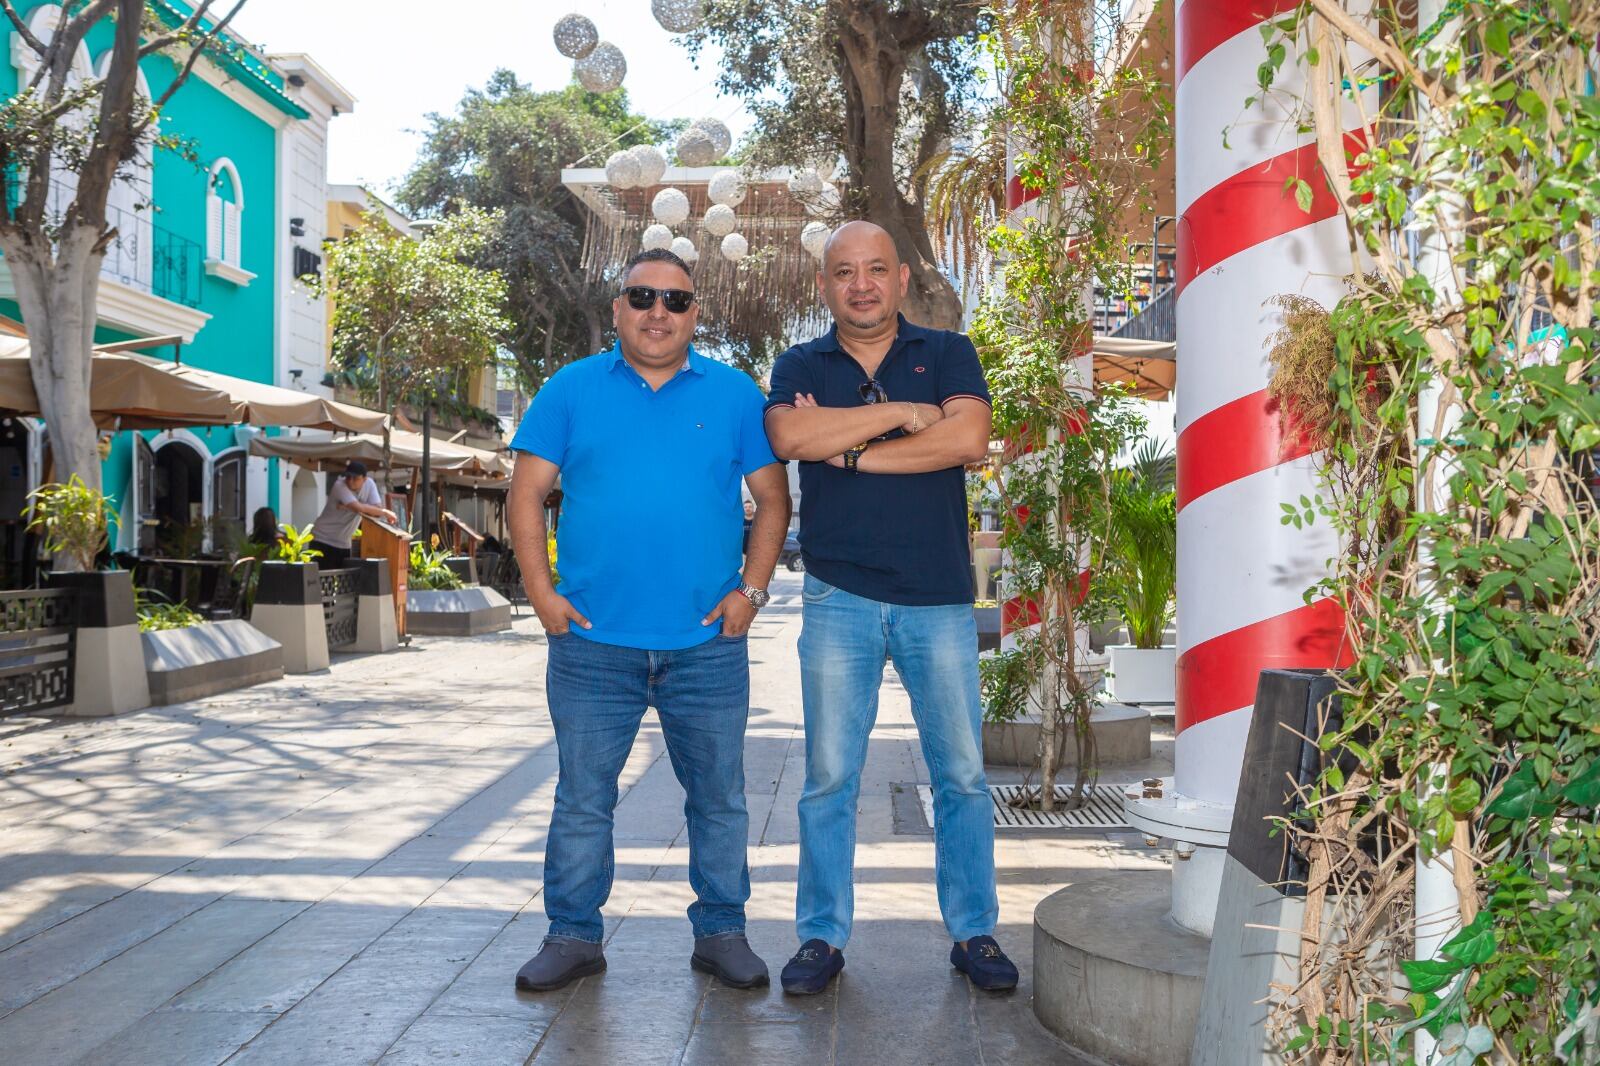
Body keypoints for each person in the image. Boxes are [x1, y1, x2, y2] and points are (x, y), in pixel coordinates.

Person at [506, 247, 791, 993]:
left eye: (675, 300)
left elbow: (774, 500)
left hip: (708, 645)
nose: (658, 312)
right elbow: (525, 494)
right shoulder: (570, 388)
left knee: (720, 798)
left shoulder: (734, 394)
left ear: (694, 314)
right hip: (592, 645)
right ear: (617, 309)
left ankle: (722, 931)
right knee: (582, 799)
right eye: (642, 297)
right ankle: (572, 935)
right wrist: (541, 594)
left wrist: (752, 593)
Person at [763, 221, 1017, 995]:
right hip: (837, 596)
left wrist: (845, 449)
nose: (862, 285)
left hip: (937, 598)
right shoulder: (799, 363)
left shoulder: (948, 351)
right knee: (829, 777)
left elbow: (967, 440)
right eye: (845, 272)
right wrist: (903, 413)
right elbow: (788, 434)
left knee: (962, 775)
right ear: (824, 285)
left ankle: (973, 931)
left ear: (901, 278)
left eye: (876, 269)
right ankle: (820, 937)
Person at [308, 461, 395, 567]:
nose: (350, 481)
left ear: (364, 479)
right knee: (321, 576)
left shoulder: (370, 484)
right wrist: (385, 512)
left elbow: (376, 511)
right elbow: (359, 508)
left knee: (342, 577)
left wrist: (349, 506)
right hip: (322, 539)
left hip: (344, 543)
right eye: (348, 477)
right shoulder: (339, 485)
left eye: (355, 478)